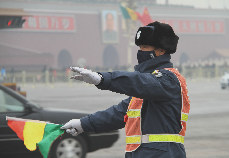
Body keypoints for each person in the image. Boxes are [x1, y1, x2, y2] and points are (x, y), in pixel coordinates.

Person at [61, 21, 190, 158]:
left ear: (161, 51)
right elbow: (118, 114)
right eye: (139, 47)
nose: (140, 51)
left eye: (145, 47)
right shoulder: (145, 89)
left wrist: (103, 79)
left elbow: (138, 82)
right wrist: (83, 124)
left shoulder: (168, 79)